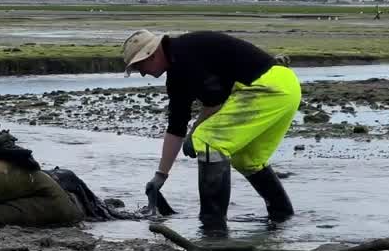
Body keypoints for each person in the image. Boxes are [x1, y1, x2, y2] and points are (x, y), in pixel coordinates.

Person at [122, 29, 300, 232]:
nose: (142, 72)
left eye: (139, 66)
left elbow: (216, 102)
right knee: (247, 159)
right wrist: (160, 175)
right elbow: (176, 126)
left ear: (150, 55)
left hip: (267, 89)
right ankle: (282, 216)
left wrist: (194, 133)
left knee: (207, 141)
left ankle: (212, 226)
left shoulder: (185, 54)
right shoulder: (176, 73)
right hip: (287, 88)